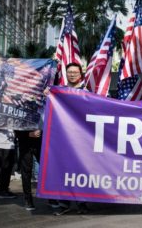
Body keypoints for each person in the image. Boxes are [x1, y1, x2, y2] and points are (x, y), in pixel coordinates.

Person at [50, 62, 88, 215]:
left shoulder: (86, 92)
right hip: (64, 139)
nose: (72, 74)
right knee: (64, 170)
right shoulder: (60, 91)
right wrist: (49, 93)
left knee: (80, 170)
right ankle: (64, 203)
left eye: (75, 72)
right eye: (69, 72)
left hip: (81, 139)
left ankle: (82, 203)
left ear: (80, 74)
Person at [15, 129, 42, 211]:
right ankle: (28, 200)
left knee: (47, 169)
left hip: (40, 143)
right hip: (25, 144)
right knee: (26, 172)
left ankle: (51, 198)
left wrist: (41, 131)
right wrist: (28, 134)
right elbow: (16, 129)